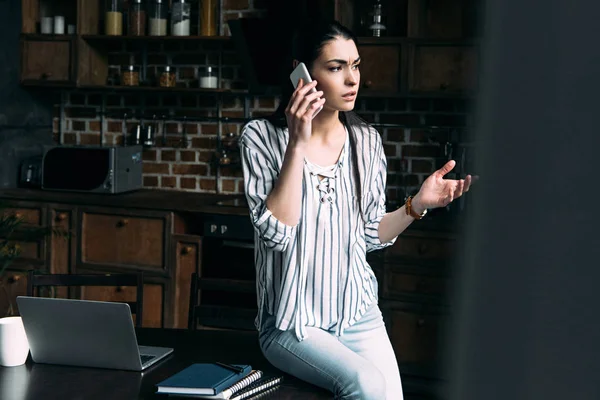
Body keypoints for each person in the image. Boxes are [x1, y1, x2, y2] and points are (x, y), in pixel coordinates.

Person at [239, 19, 473, 400]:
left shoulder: (366, 141)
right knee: (365, 384)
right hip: (293, 322)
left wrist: (417, 205)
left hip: (356, 310)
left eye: (356, 65)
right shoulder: (261, 138)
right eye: (336, 67)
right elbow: (276, 233)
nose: (352, 79)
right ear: (302, 75)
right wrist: (297, 142)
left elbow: (368, 235)